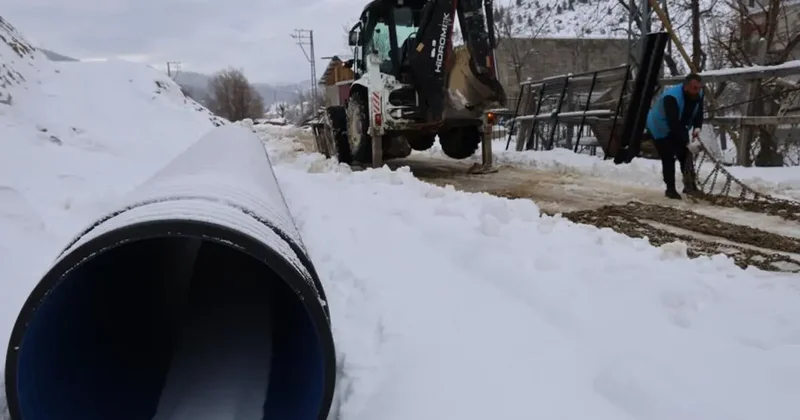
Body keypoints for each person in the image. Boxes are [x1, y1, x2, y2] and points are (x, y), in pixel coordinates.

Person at [645, 73, 704, 200]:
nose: (697, 91)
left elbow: (699, 111)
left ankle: (690, 186)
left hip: (679, 125)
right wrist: (687, 143)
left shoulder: (698, 94)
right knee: (668, 156)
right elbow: (673, 123)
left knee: (685, 156)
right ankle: (670, 189)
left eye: (699, 88)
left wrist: (697, 126)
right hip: (659, 125)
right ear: (686, 86)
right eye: (695, 88)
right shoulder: (671, 97)